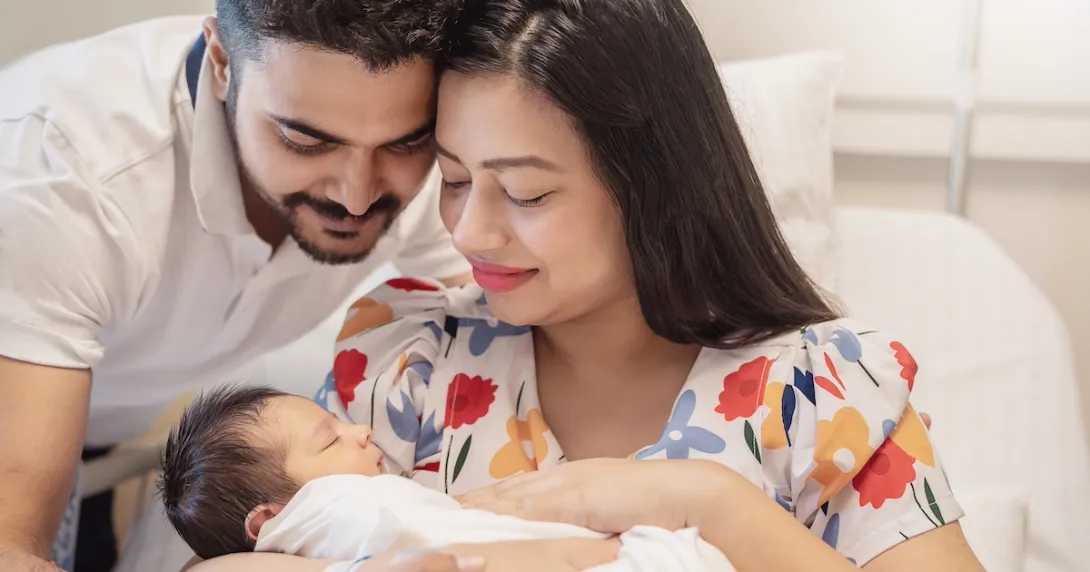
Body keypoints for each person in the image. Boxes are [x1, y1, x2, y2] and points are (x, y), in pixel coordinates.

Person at [191, 0, 976, 570]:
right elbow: (248, 550)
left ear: (653, 186)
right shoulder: (408, 364)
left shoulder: (823, 392)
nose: (469, 233)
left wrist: (709, 504)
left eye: (526, 195)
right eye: (456, 179)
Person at [0, 0, 478, 570]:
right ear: (221, 64)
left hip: (101, 429)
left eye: (404, 144)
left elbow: (517, 334)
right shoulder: (65, 181)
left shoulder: (431, 159)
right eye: (305, 140)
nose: (357, 197)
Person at [158, 385, 731, 570]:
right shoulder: (337, 509)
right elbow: (453, 550)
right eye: (330, 438)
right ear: (270, 519)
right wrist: (604, 551)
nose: (361, 430)